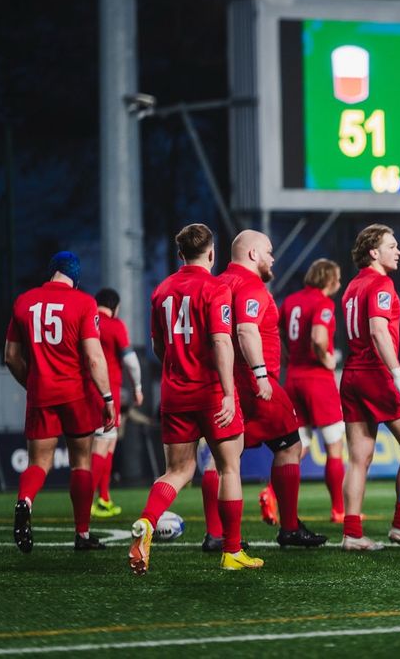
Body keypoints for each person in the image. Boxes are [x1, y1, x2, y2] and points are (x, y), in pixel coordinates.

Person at [128, 223, 263, 574]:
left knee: (177, 471)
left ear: (179, 254)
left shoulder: (161, 291)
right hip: (212, 393)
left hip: (174, 393)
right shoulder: (217, 288)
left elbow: (159, 346)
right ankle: (232, 551)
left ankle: (147, 520)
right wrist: (230, 392)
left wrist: (177, 367)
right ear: (212, 253)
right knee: (228, 467)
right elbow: (221, 342)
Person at [218, 230, 326, 548]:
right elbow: (246, 330)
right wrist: (261, 374)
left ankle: (217, 534)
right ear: (253, 254)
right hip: (255, 383)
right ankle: (289, 527)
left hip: (223, 384)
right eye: (268, 250)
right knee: (291, 446)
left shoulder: (218, 284)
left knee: (221, 459)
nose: (273, 257)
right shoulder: (250, 285)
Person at [4, 251, 115, 552]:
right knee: (81, 462)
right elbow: (93, 357)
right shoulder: (83, 302)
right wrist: (107, 397)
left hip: (41, 394)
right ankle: (81, 534)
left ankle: (25, 501)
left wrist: (34, 384)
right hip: (75, 395)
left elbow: (11, 358)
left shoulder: (24, 302)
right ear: (75, 278)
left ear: (51, 271)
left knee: (39, 462)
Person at [339, 224, 400, 551]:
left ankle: (352, 533)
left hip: (351, 374)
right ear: (373, 252)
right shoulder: (381, 283)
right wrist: (397, 376)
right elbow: (379, 331)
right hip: (377, 374)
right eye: (391, 245)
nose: (399, 251)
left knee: (357, 459)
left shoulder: (352, 286)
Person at [281, 258, 346, 523]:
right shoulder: (323, 303)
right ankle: (339, 510)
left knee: (298, 446)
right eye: (338, 279)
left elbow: (281, 337)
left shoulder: (289, 302)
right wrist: (327, 358)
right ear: (329, 279)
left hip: (293, 379)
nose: (339, 284)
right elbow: (319, 337)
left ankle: (272, 493)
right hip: (318, 381)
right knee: (334, 448)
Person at [87, 288, 143, 520]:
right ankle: (86, 501)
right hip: (107, 393)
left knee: (107, 444)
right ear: (115, 306)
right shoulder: (115, 325)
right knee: (101, 446)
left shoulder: (88, 321)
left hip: (86, 390)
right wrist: (138, 388)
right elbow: (131, 361)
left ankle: (104, 498)